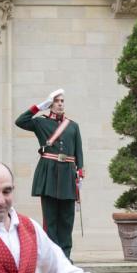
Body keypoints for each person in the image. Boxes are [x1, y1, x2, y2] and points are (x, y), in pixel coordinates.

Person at [15, 88, 85, 259]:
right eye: (56, 101)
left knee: (67, 219)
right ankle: (53, 258)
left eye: (62, 101)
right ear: (50, 104)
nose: (60, 104)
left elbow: (78, 151)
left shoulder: (73, 126)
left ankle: (65, 257)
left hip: (68, 175)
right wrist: (40, 106)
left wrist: (80, 172)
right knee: (51, 219)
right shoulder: (41, 123)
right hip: (49, 174)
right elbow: (20, 121)